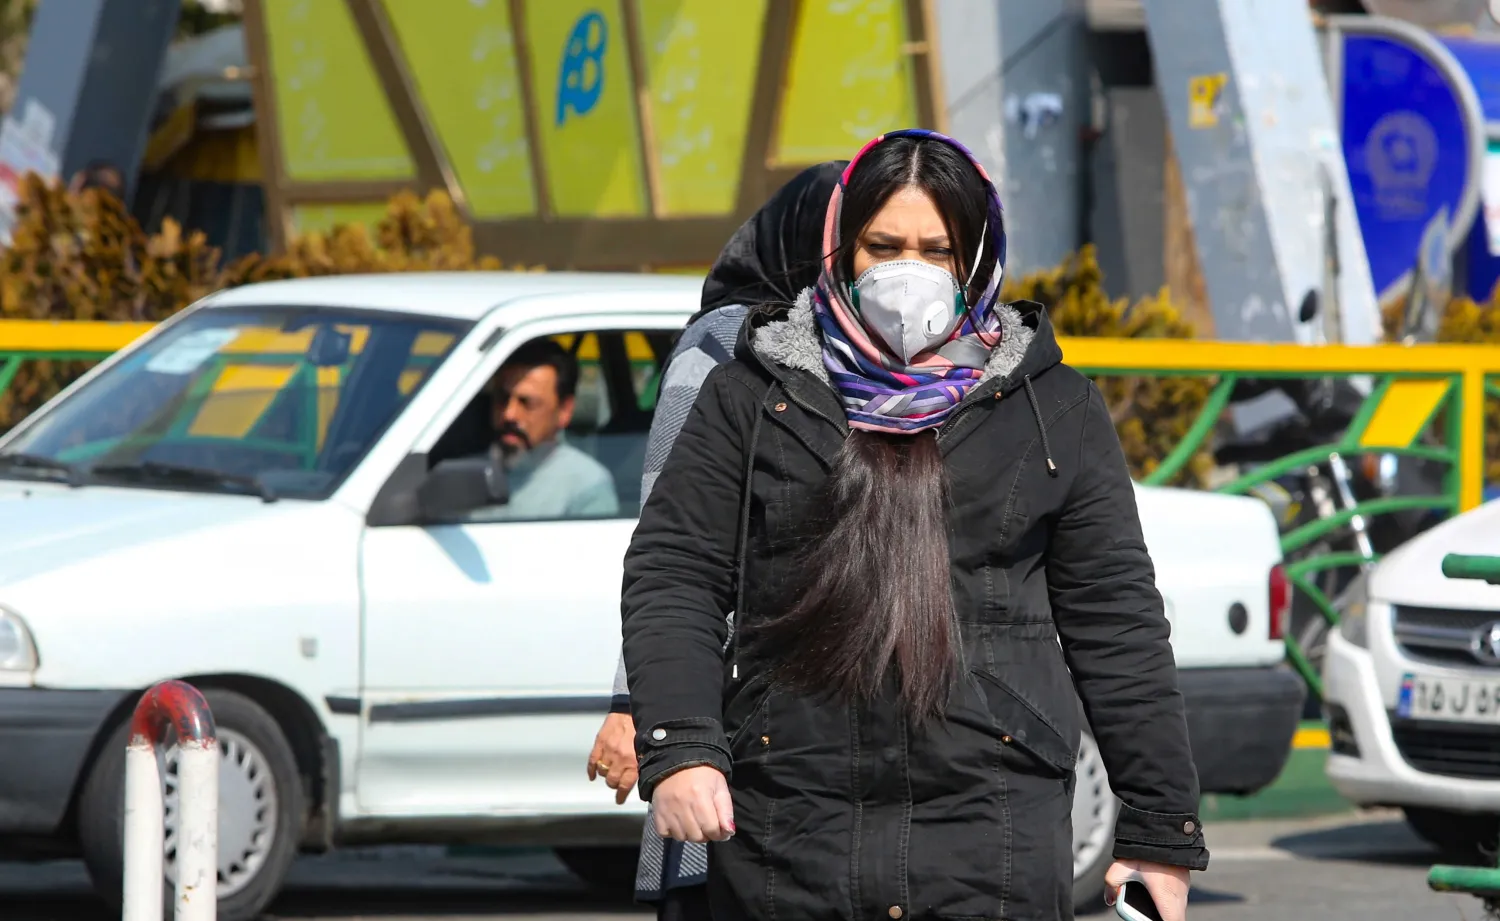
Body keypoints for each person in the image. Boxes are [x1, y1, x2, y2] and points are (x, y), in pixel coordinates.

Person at [620, 130, 1208, 921]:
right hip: (789, 832)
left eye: (938, 250)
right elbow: (675, 572)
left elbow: (1117, 621)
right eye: (883, 246)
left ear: (976, 259)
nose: (909, 272)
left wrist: (1161, 829)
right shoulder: (752, 394)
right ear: (839, 249)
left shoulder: (1052, 407)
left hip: (990, 835)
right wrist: (682, 744)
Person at [585, 159, 845, 921]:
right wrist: (635, 702)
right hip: (728, 697)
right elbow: (675, 547)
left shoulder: (874, 354)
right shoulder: (726, 342)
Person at [474, 338, 618, 520]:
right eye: (502, 399)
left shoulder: (585, 485)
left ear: (564, 411)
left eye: (527, 403)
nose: (509, 414)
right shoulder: (466, 472)